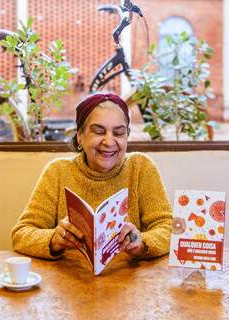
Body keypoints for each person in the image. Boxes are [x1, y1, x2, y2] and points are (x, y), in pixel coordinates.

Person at [12, 92, 173, 261]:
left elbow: (168, 227)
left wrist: (141, 242)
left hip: (129, 279)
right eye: (98, 131)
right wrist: (54, 239)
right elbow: (21, 234)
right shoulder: (57, 172)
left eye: (118, 133)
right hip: (69, 280)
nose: (109, 142)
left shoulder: (141, 167)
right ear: (80, 136)